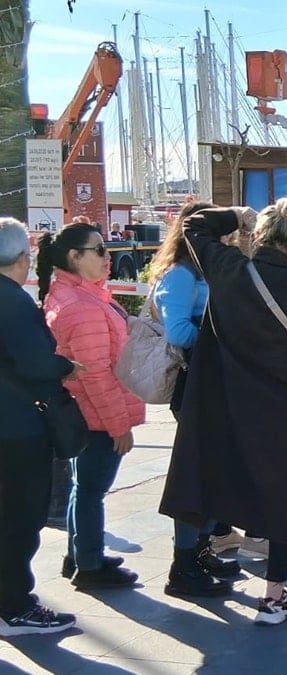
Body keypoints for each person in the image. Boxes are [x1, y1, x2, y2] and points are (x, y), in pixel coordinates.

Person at [159, 200, 287, 626]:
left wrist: (235, 216)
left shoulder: (229, 271)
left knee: (256, 493)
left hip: (237, 411)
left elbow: (193, 226)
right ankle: (277, 591)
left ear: (257, 237)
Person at [38, 222, 144, 590]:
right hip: (95, 417)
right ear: (75, 257)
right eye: (99, 250)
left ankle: (81, 553)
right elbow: (96, 374)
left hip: (84, 412)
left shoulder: (75, 295)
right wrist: (119, 426)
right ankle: (90, 565)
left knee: (82, 487)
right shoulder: (81, 306)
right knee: (90, 491)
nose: (107, 257)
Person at [145, 201, 242, 598]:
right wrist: (223, 335)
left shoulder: (202, 271)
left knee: (214, 474)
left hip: (215, 385)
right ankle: (184, 565)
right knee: (196, 479)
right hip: (196, 386)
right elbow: (177, 332)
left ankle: (199, 553)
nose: (227, 239)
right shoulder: (182, 276)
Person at [0, 219, 78, 636]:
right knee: (20, 518)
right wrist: (67, 366)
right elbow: (35, 362)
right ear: (20, 259)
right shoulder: (11, 301)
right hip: (17, 428)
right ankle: (13, 606)